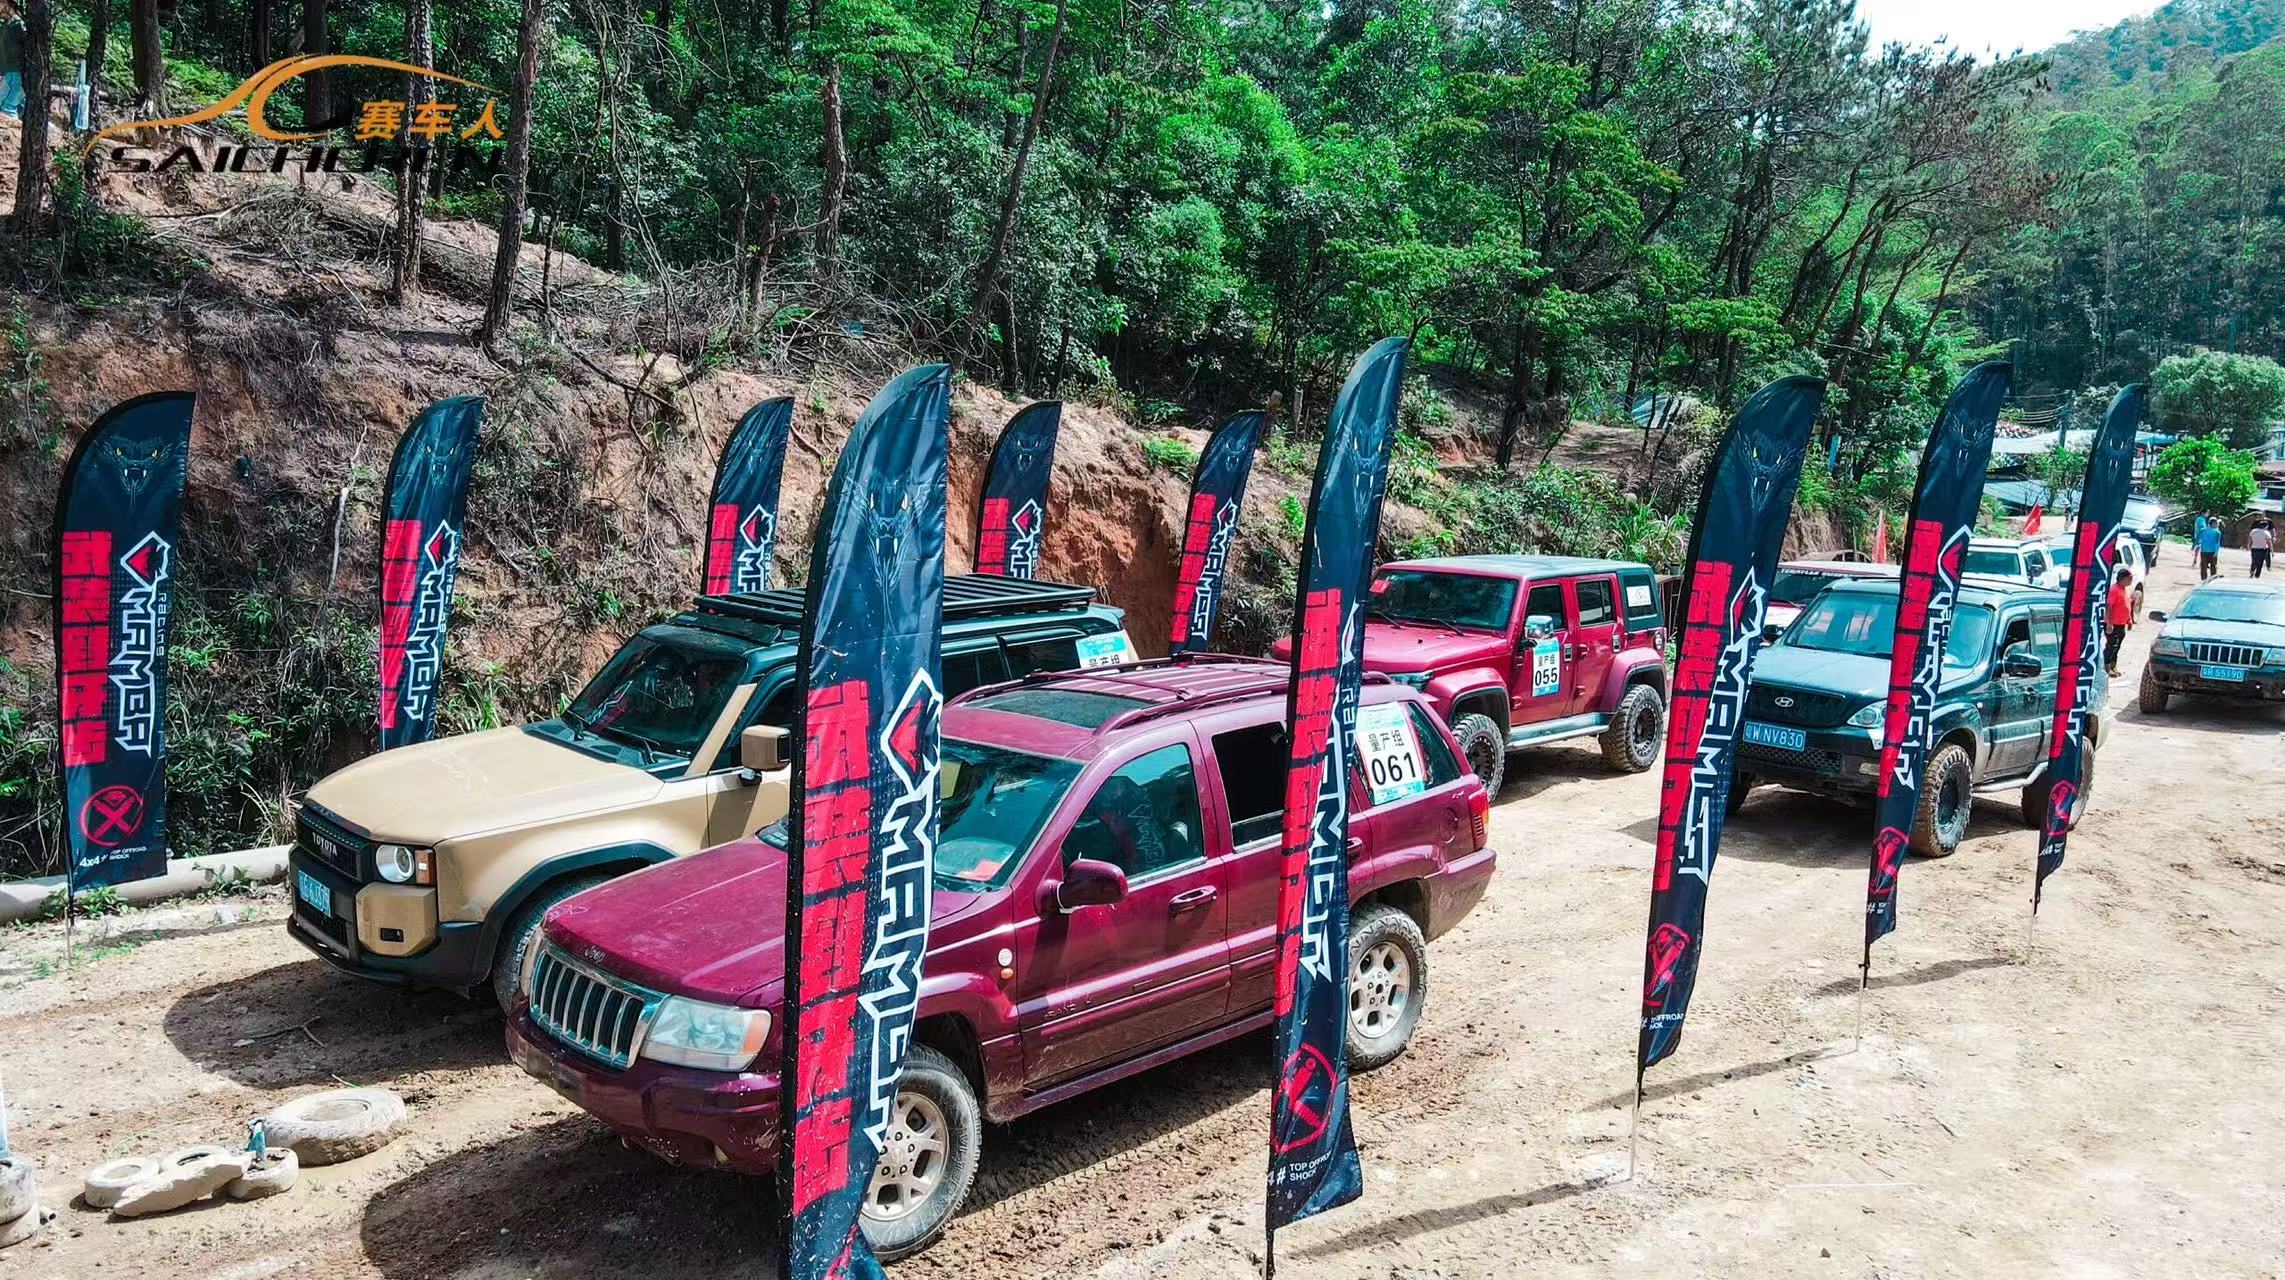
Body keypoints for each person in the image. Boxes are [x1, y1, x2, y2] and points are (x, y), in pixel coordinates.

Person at [2104, 564, 2135, 678]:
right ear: (2123, 578)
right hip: (2113, 624)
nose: (2131, 580)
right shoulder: (2114, 589)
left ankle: (2113, 665)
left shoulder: (2124, 590)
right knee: (2111, 645)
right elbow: (2109, 606)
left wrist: (2129, 620)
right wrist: (2109, 623)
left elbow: (2127, 605)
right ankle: (2106, 667)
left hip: (2122, 624)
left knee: (2117, 646)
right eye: (2129, 578)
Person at [0, 0, 26, 120]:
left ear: (7, 4)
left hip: (16, 73)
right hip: (9, 73)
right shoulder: (9, 24)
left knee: (8, 108)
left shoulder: (19, 24)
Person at [2196, 514, 2225, 581]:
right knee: (2213, 567)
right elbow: (2218, 543)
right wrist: (2216, 552)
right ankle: (2213, 580)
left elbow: (2198, 539)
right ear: (2214, 524)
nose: (2218, 525)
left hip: (2203, 551)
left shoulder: (2203, 530)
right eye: (2217, 524)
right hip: (2213, 552)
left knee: (2203, 567)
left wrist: (2195, 546)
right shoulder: (2217, 532)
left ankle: (2203, 580)